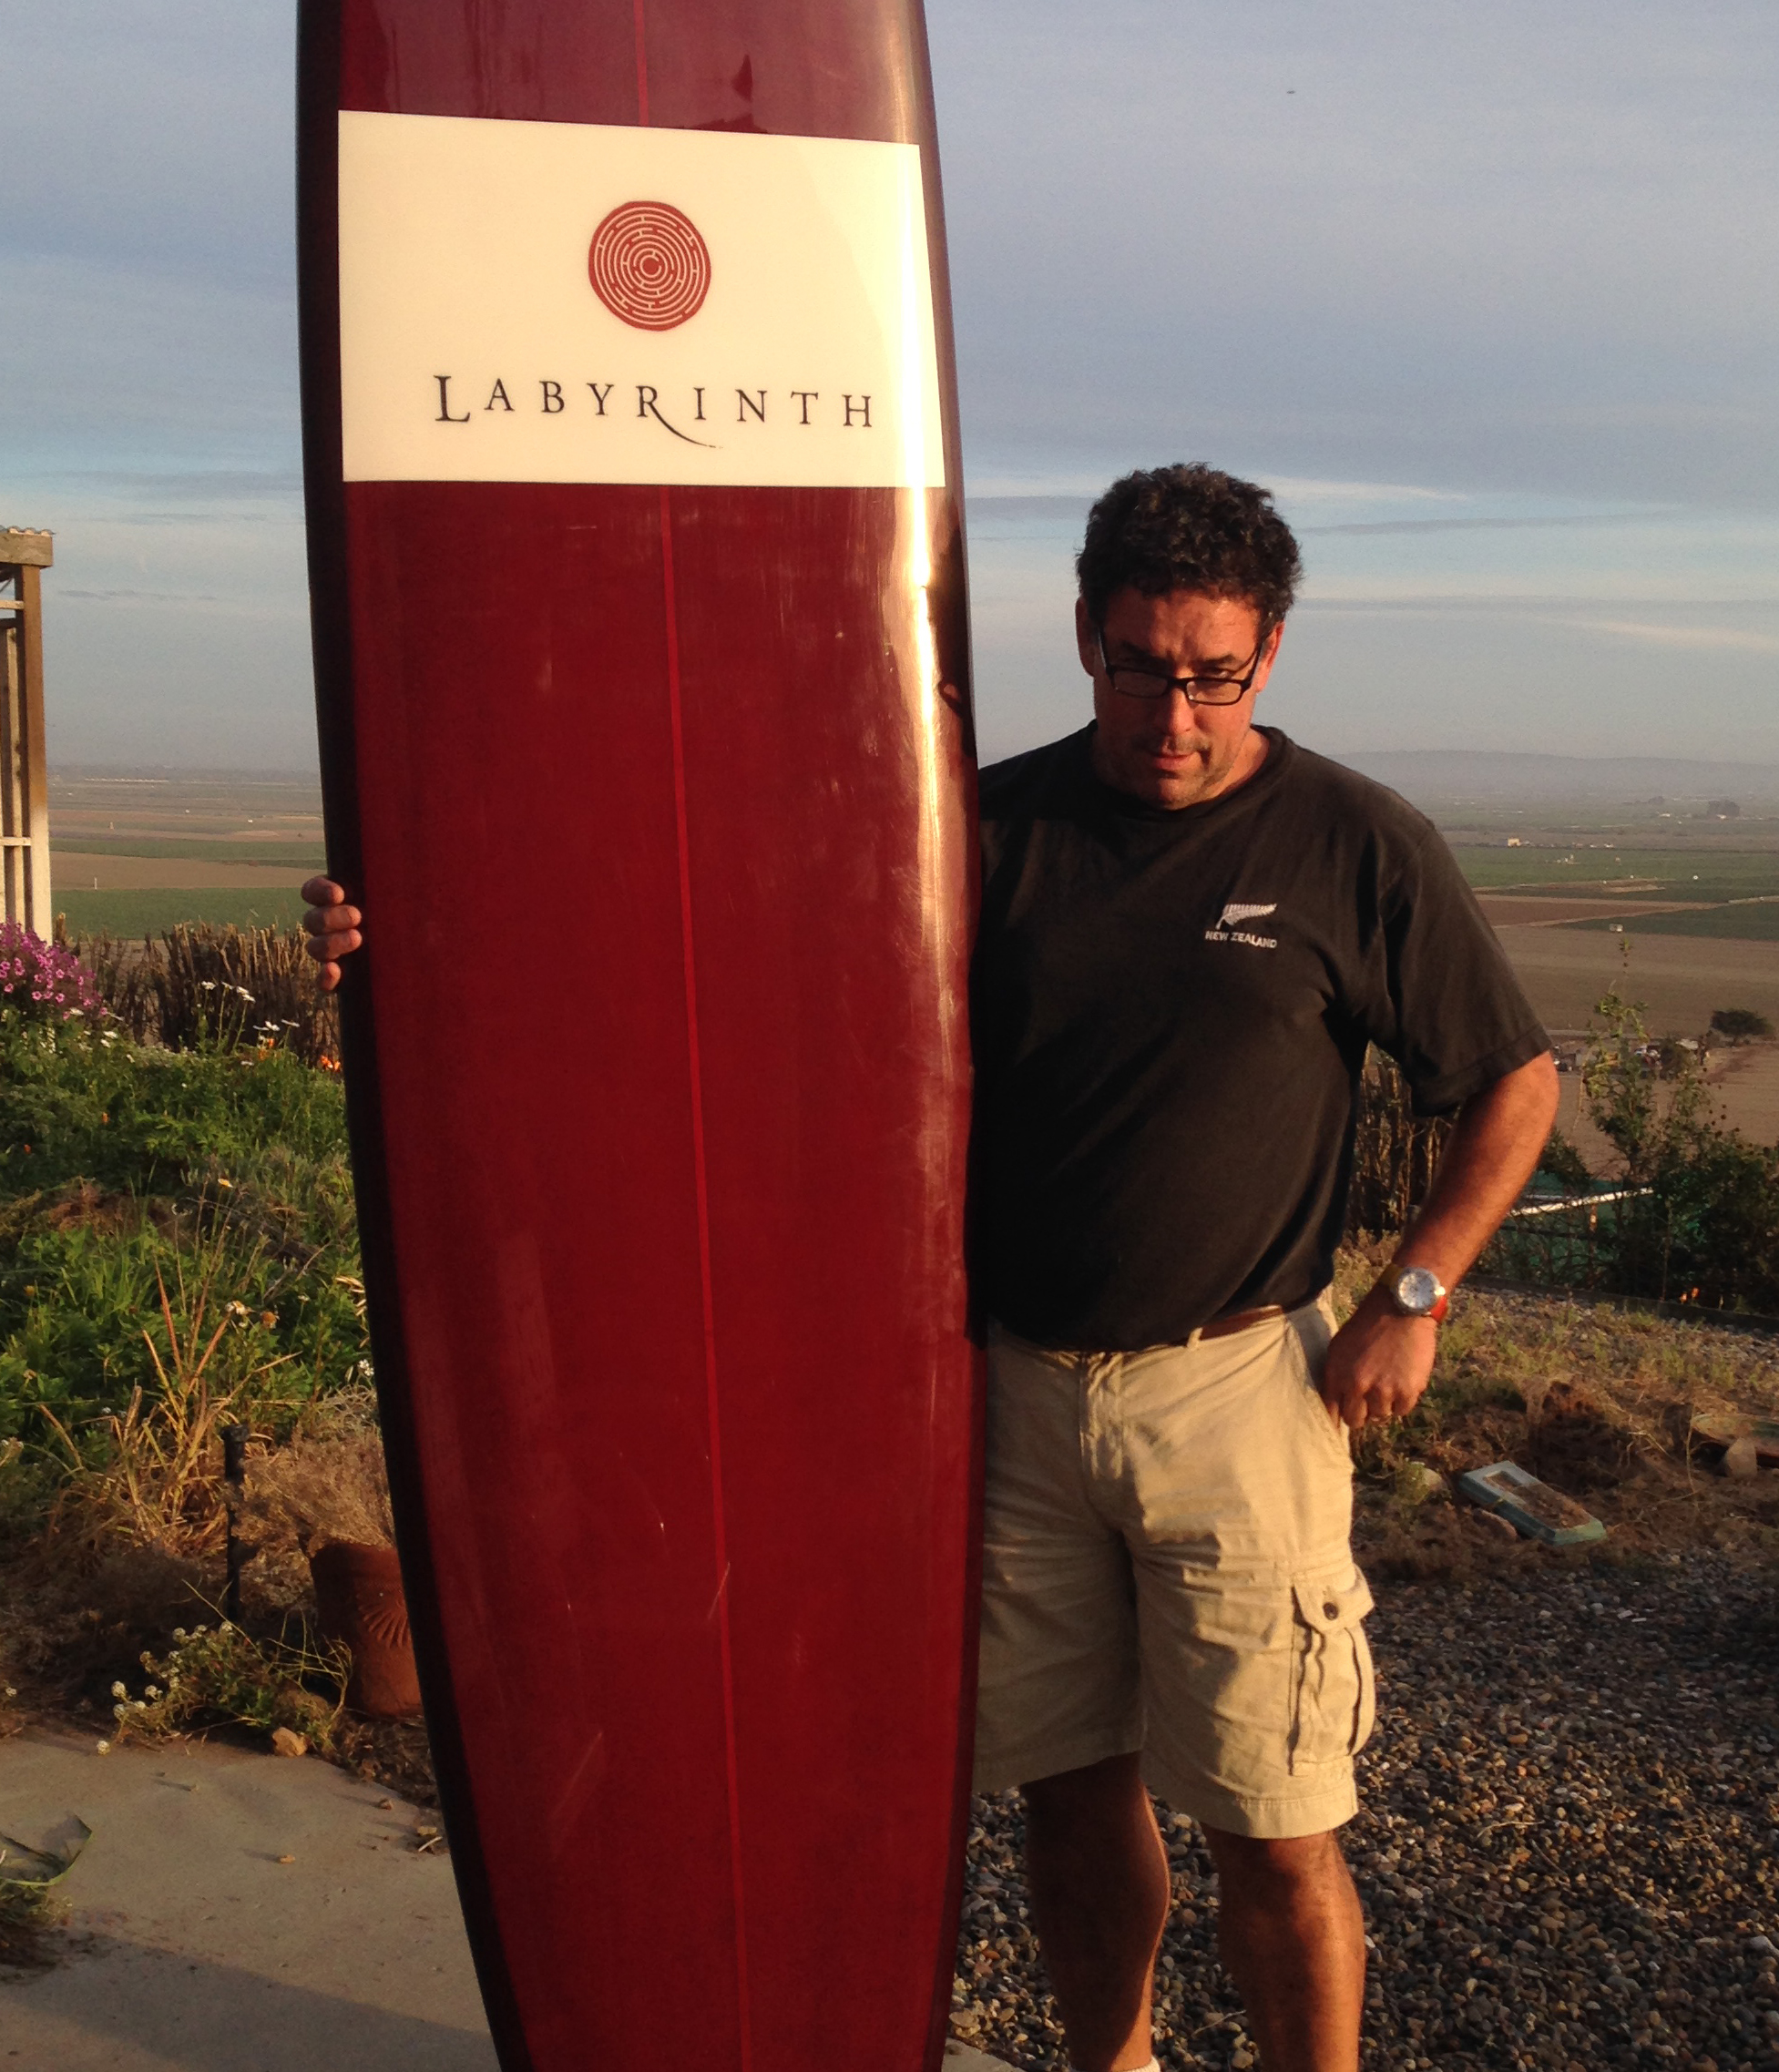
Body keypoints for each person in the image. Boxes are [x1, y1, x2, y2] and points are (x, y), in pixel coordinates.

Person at [302, 462, 1559, 2072]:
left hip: (1241, 1389)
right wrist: (409, 937)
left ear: (1270, 651)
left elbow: (1511, 1079)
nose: (1167, 715)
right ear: (1083, 633)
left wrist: (1412, 1294)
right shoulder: (986, 825)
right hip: (1015, 1398)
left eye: (1209, 676)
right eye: (1133, 665)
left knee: (1279, 1822)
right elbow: (717, 953)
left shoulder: (1350, 844)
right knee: (1066, 1788)